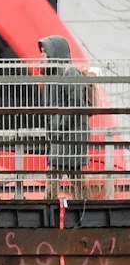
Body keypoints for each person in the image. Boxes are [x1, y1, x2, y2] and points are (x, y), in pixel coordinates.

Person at [39, 35, 90, 182]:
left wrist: (62, 125)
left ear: (54, 53)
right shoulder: (53, 76)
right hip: (62, 135)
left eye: (45, 52)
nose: (42, 56)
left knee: (57, 173)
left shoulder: (69, 73)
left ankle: (50, 202)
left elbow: (76, 102)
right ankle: (81, 202)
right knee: (75, 176)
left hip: (70, 134)